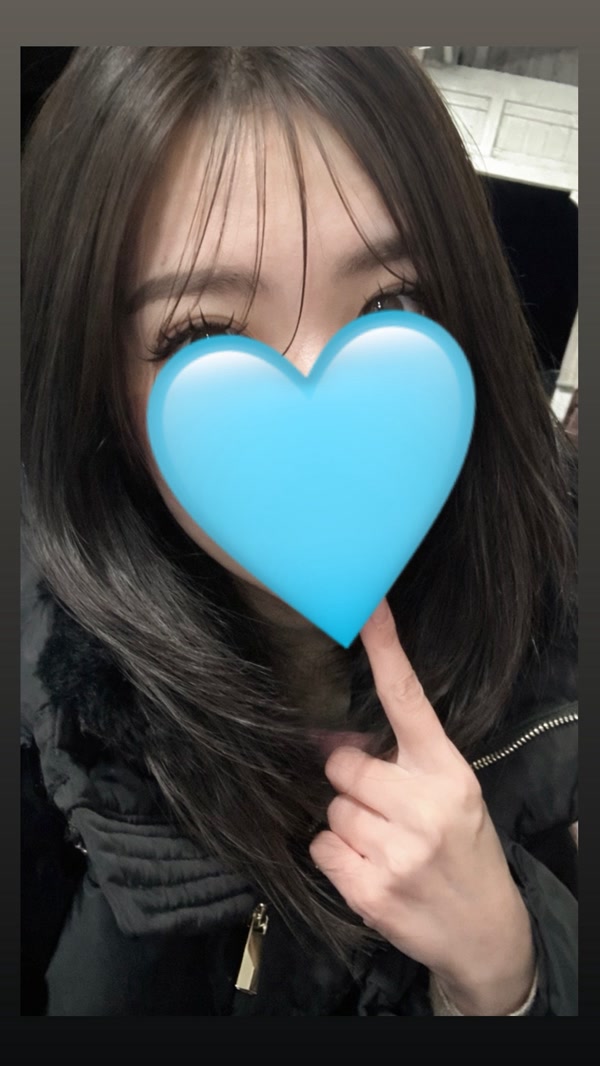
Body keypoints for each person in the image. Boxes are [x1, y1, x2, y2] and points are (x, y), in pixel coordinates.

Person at [20, 46, 578, 1016]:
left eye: (389, 303)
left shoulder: (558, 617)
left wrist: (508, 974)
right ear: (97, 382)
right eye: (201, 335)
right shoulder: (47, 718)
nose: (323, 421)